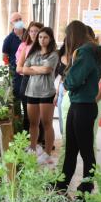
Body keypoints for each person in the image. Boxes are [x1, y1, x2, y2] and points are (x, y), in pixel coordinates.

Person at [56, 20, 101, 202]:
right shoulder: (92, 50)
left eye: (67, 36)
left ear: (72, 35)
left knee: (84, 152)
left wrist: (68, 80)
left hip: (82, 106)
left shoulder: (85, 52)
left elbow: (71, 81)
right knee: (72, 151)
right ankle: (61, 188)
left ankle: (84, 192)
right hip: (81, 105)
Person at [17, 27, 58, 165]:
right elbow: (22, 69)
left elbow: (47, 69)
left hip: (47, 92)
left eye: (45, 37)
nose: (42, 40)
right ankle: (33, 148)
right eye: (40, 37)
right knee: (33, 123)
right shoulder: (33, 53)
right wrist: (37, 69)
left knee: (47, 123)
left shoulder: (53, 54)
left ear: (50, 38)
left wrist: (32, 69)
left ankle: (47, 153)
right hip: (32, 91)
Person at [16, 21, 45, 142]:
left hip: (42, 84)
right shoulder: (25, 47)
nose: (33, 34)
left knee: (41, 114)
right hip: (26, 81)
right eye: (31, 31)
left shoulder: (47, 48)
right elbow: (19, 68)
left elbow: (48, 69)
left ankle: (40, 139)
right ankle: (26, 141)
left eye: (36, 31)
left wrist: (29, 69)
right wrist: (34, 70)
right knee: (27, 114)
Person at [2, 12, 25, 113]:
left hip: (29, 72)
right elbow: (4, 56)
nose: (19, 21)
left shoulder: (29, 35)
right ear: (11, 23)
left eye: (20, 19)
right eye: (16, 20)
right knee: (16, 100)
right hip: (15, 74)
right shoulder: (8, 39)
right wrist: (9, 68)